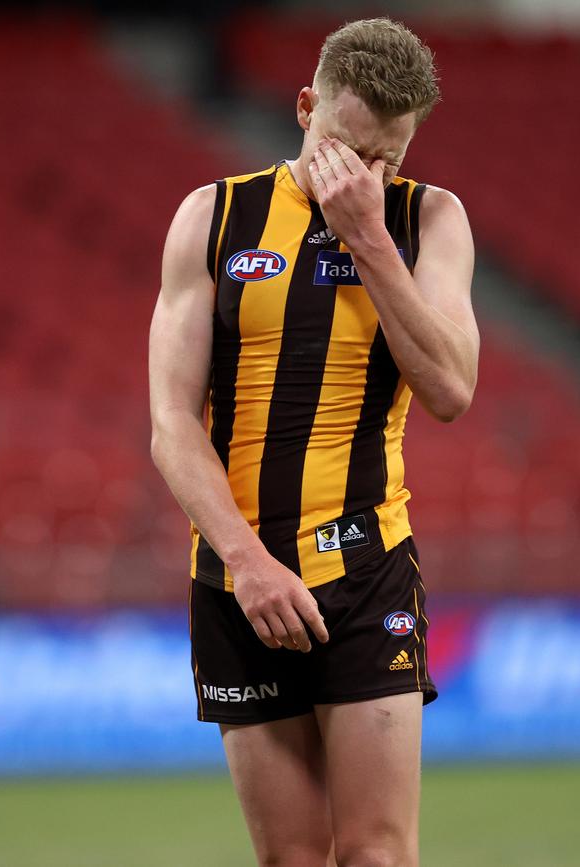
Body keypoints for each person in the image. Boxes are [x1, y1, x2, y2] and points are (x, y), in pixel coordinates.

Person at [149, 17, 479, 867]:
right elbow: (172, 425)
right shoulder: (214, 218)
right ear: (304, 107)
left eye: (387, 160)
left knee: (377, 855)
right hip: (239, 577)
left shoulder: (427, 220)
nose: (363, 178)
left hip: (368, 568)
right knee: (293, 859)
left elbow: (450, 389)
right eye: (346, 150)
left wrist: (367, 236)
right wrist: (248, 562)